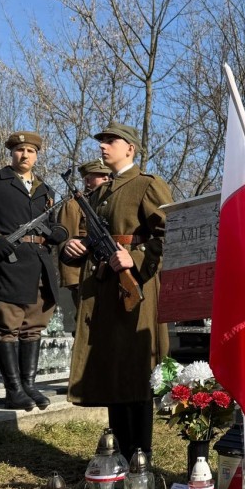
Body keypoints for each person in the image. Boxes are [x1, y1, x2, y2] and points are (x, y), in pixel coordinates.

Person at [62, 122, 173, 461]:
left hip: (136, 288)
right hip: (106, 290)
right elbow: (86, 234)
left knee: (135, 371)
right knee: (112, 369)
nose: (103, 146)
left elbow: (170, 234)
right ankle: (122, 454)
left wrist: (136, 256)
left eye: (111, 141)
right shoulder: (97, 194)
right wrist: (72, 246)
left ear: (130, 149)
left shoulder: (147, 185)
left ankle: (141, 454)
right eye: (102, 141)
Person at [0, 131, 68, 411]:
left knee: (33, 328)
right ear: (12, 153)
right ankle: (13, 389)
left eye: (30, 151)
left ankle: (28, 385)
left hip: (39, 266)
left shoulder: (46, 190)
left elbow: (54, 224)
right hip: (7, 264)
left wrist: (58, 232)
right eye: (20, 150)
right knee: (8, 327)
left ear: (37, 155)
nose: (25, 155)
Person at [56, 159, 112, 306]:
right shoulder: (73, 205)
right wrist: (74, 282)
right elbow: (66, 243)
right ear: (87, 180)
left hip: (108, 272)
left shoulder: (108, 203)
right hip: (84, 276)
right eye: (101, 175)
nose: (107, 179)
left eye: (108, 175)